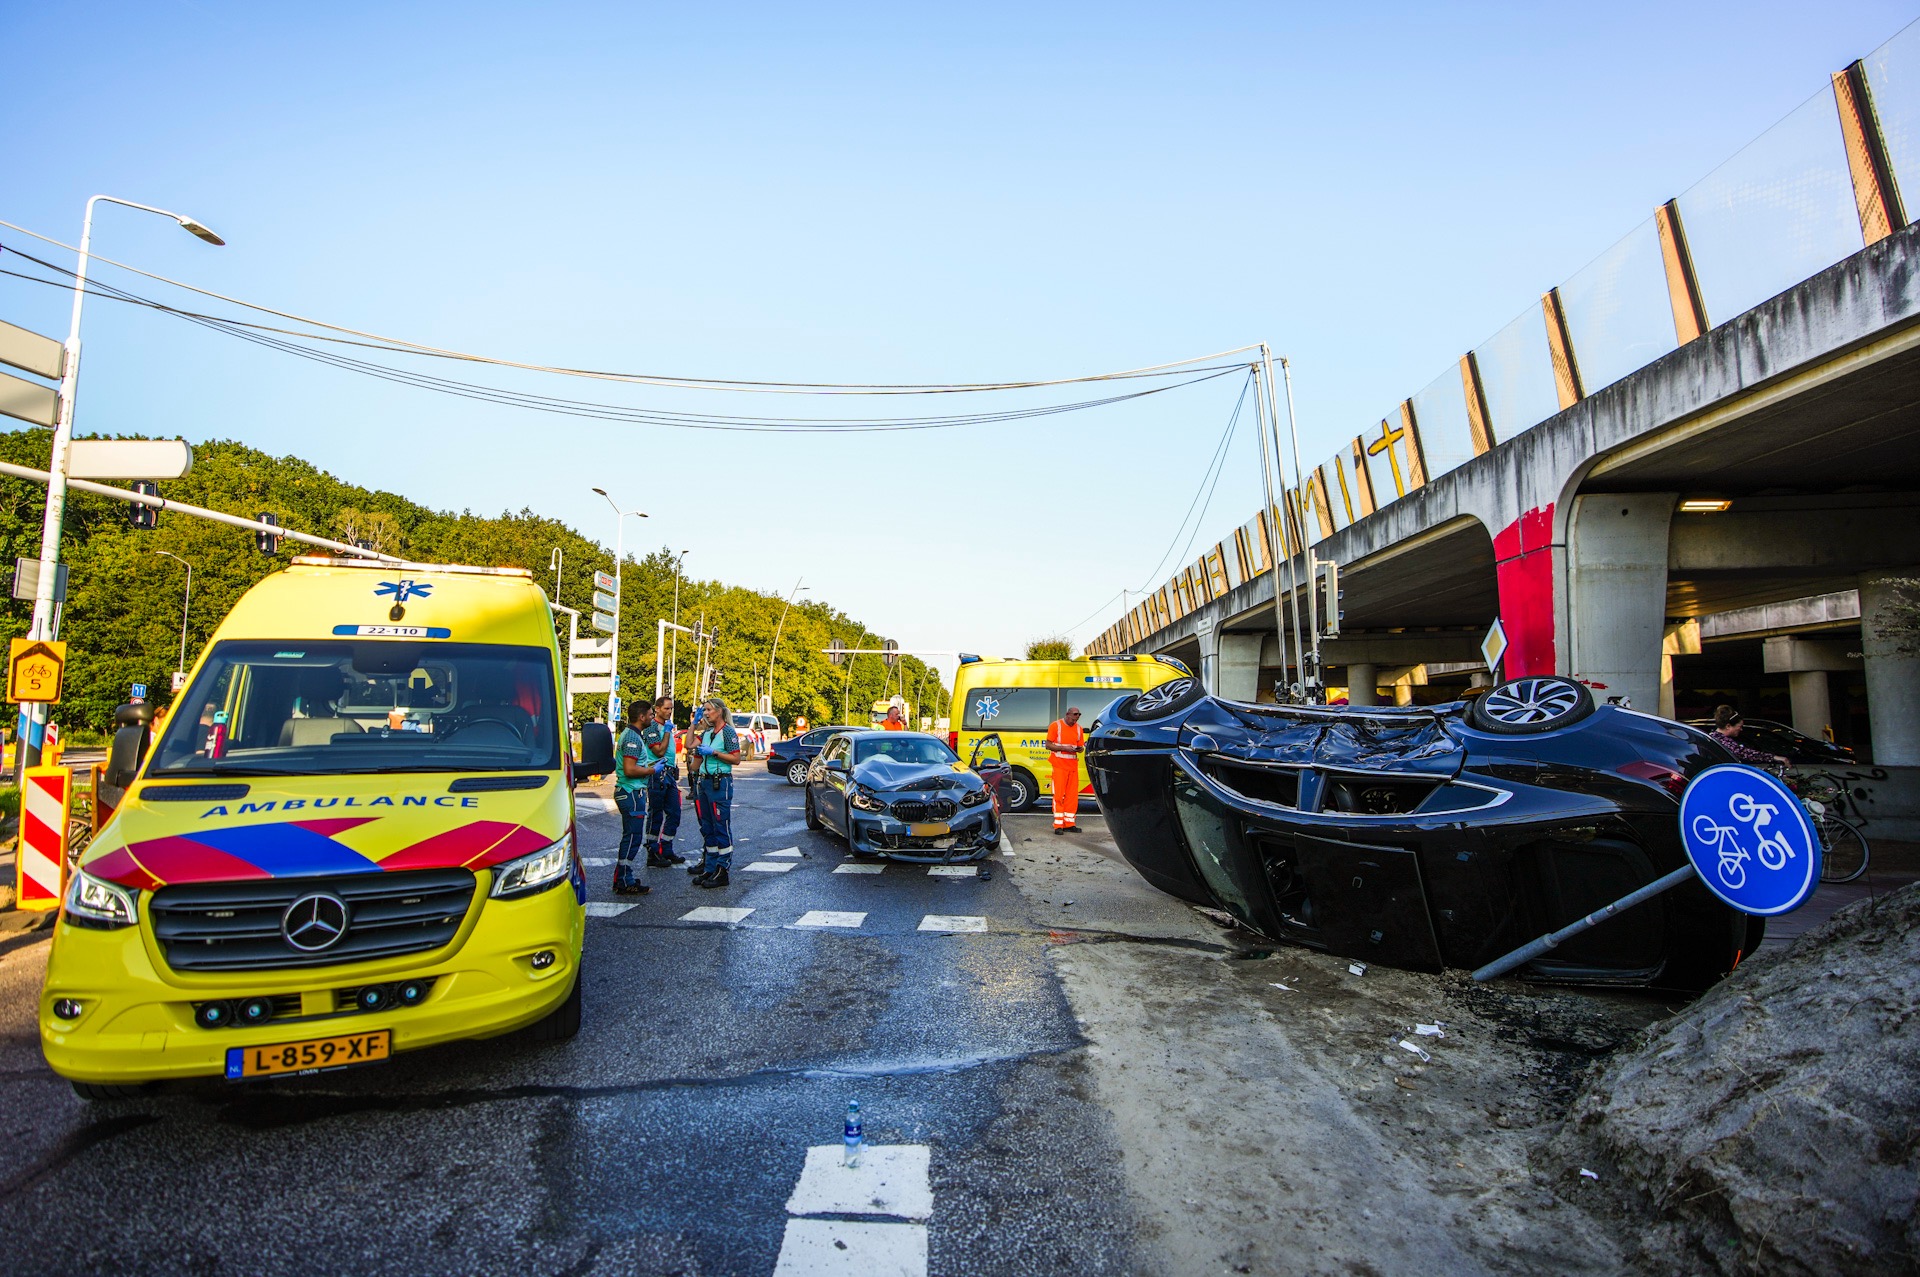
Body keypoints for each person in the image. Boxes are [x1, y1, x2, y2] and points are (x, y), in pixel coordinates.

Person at [689, 698, 743, 887]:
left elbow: (736, 759)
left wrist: (713, 753)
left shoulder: (727, 732)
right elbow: (689, 744)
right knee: (707, 826)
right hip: (704, 782)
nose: (706, 713)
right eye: (704, 710)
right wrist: (693, 723)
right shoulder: (707, 732)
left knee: (721, 826)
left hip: (720, 782)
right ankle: (710, 867)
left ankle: (722, 870)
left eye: (709, 710)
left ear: (719, 711)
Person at [611, 701, 656, 896]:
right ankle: (623, 880)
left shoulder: (634, 735)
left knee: (632, 836)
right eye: (651, 714)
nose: (653, 717)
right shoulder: (632, 737)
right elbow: (630, 769)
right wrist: (652, 770)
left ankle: (623, 877)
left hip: (632, 791)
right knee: (632, 837)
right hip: (631, 792)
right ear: (642, 717)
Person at [642, 695, 686, 868]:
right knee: (656, 814)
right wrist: (667, 731)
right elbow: (659, 751)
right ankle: (652, 852)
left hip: (668, 773)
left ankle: (666, 848)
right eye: (666, 708)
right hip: (656, 773)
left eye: (671, 708)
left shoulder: (667, 727)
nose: (669, 712)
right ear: (657, 709)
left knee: (674, 812)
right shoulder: (651, 727)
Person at [1044, 703, 1088, 834]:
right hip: (1059, 766)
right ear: (1067, 715)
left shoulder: (1079, 729)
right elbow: (1048, 745)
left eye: (1076, 719)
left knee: (1072, 796)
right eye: (1073, 719)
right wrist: (1064, 748)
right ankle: (1058, 825)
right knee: (1058, 795)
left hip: (1072, 767)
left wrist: (1080, 749)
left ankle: (1069, 823)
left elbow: (1080, 746)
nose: (1074, 721)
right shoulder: (1055, 726)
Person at [1710, 705, 1791, 769]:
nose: (1741, 729)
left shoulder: (1712, 738)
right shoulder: (1721, 741)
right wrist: (1773, 757)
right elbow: (1744, 753)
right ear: (1728, 726)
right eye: (1739, 726)